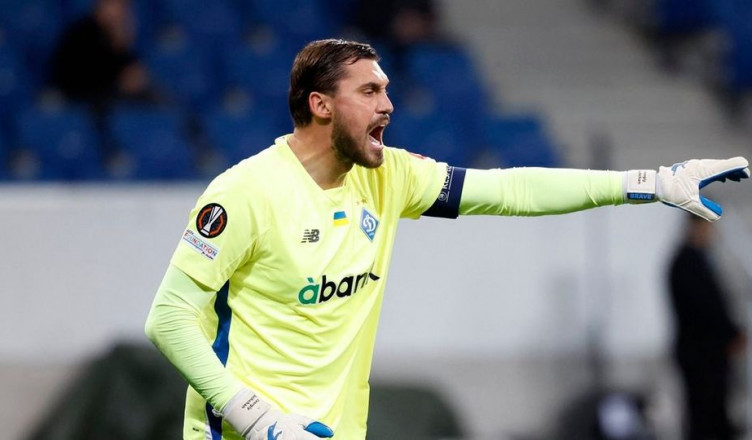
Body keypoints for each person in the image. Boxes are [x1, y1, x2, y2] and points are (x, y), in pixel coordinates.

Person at [144, 39, 750, 440]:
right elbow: (168, 320)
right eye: (370, 92)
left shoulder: (390, 177)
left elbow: (512, 191)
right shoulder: (245, 191)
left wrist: (651, 182)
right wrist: (258, 420)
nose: (389, 104)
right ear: (320, 104)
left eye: (386, 89)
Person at [668, 215, 746, 440]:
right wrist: (730, 333)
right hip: (701, 356)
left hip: (709, 354)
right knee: (705, 418)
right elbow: (705, 309)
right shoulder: (686, 264)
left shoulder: (698, 261)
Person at [49, 0, 154, 106]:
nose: (120, 12)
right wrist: (118, 81)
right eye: (115, 5)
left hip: (112, 95)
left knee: (152, 99)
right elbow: (78, 76)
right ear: (100, 6)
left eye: (124, 8)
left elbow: (129, 71)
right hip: (81, 98)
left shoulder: (118, 36)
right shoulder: (80, 34)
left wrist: (121, 47)